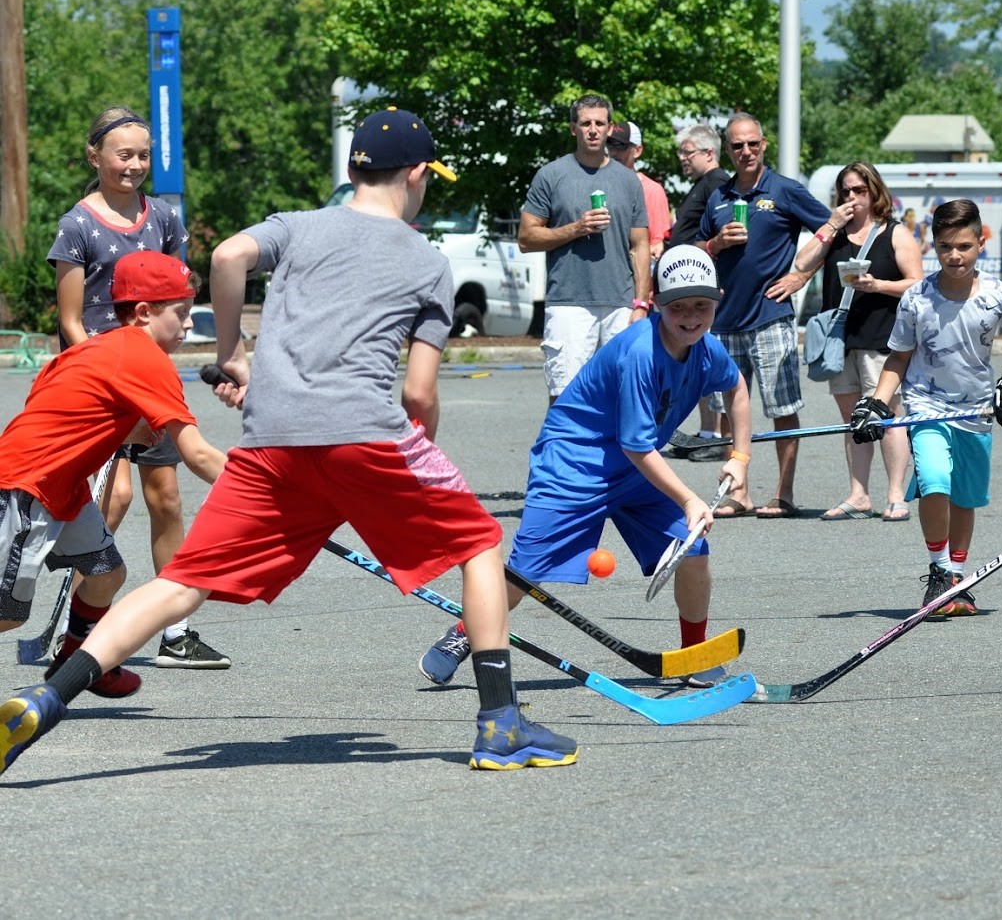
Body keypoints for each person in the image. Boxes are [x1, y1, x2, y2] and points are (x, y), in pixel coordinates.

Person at [1, 108, 578, 776]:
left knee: (183, 583)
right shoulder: (426, 261)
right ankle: (500, 723)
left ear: (354, 169)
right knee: (478, 544)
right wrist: (409, 477)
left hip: (272, 438)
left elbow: (228, 255)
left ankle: (47, 697)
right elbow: (419, 394)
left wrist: (232, 352)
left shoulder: (297, 226)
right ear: (417, 174)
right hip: (367, 433)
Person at [418, 245, 753, 689]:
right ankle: (464, 632)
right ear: (655, 302)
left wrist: (739, 458)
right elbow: (637, 446)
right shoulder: (640, 353)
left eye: (701, 306)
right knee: (526, 571)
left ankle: (694, 655)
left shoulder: (707, 349)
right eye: (678, 307)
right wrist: (690, 499)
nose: (690, 317)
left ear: (717, 301)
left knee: (692, 552)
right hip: (575, 464)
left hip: (635, 471)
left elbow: (737, 389)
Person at [0, 250, 227, 743]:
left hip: (65, 486)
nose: (190, 324)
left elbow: (54, 400)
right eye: (182, 312)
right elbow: (197, 454)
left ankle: (77, 661)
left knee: (106, 573)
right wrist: (264, 492)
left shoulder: (102, 347)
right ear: (144, 312)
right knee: (6, 615)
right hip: (27, 485)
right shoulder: (147, 358)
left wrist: (121, 430)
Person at [46, 105, 229, 669]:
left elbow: (174, 292)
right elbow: (72, 321)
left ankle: (177, 632)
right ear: (95, 156)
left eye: (143, 155)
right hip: (100, 384)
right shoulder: (77, 225)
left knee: (166, 498)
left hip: (150, 376)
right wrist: (106, 379)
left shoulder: (164, 217)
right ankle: (81, 631)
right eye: (123, 154)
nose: (134, 165)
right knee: (114, 498)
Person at [850, 200, 1002, 615]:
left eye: (964, 246)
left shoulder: (997, 294)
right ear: (933, 246)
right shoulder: (917, 298)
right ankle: (939, 570)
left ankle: (957, 578)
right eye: (945, 247)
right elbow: (899, 357)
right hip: (927, 406)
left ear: (980, 244)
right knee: (935, 481)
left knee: (964, 498)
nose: (954, 255)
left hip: (976, 412)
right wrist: (876, 402)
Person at [697, 112, 851, 519]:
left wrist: (801, 276)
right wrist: (715, 243)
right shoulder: (719, 196)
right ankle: (739, 492)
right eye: (737, 145)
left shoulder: (785, 190)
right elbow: (695, 248)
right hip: (722, 320)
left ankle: (784, 494)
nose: (746, 151)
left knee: (782, 408)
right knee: (728, 410)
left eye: (753, 143)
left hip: (770, 315)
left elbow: (832, 234)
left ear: (764, 144)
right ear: (727, 150)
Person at [800, 163, 922, 521]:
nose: (851, 197)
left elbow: (917, 282)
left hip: (881, 338)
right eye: (845, 191)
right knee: (851, 418)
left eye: (858, 190)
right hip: (841, 341)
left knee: (887, 416)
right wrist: (831, 224)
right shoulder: (835, 232)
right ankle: (859, 494)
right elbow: (802, 262)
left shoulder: (894, 233)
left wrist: (878, 285)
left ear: (874, 191)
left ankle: (896, 495)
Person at [519, 94, 650, 404]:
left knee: (622, 398)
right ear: (573, 128)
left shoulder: (628, 181)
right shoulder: (552, 175)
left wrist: (641, 305)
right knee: (565, 399)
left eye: (599, 123)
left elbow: (640, 245)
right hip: (569, 303)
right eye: (585, 123)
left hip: (620, 306)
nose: (593, 130)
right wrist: (576, 228)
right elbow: (526, 238)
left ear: (610, 128)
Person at [666, 124, 732, 463]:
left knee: (708, 357)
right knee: (698, 355)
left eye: (687, 152)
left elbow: (717, 231)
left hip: (704, 285)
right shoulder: (702, 184)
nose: (682, 158)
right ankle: (706, 432)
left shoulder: (717, 182)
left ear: (709, 152)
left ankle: (716, 434)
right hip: (689, 282)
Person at [607, 121, 671, 265]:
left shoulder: (652, 190)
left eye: (620, 146)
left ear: (637, 150)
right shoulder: (599, 187)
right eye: (610, 145)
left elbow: (658, 244)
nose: (614, 152)